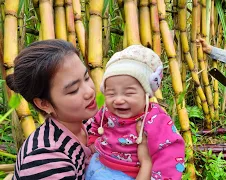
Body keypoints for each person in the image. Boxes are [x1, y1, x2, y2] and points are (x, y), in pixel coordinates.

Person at [6, 39, 151, 179]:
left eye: (86, 78)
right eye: (73, 90)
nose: (89, 91)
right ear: (44, 104)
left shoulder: (90, 124)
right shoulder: (45, 160)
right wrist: (146, 164)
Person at [86, 45, 185, 180]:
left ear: (147, 93)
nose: (118, 100)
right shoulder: (106, 110)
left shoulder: (155, 119)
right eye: (111, 93)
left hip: (129, 174)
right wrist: (92, 141)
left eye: (129, 93)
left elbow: (170, 152)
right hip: (97, 164)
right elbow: (96, 123)